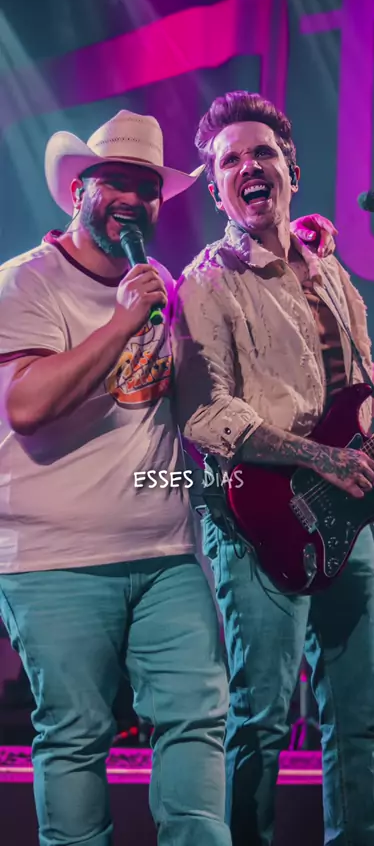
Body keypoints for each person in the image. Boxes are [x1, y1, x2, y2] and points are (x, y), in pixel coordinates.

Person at [170, 91, 374, 846]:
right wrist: (321, 457)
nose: (249, 167)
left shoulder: (333, 275)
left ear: (292, 172)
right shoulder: (208, 281)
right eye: (231, 160)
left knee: (360, 718)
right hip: (258, 523)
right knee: (261, 721)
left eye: (263, 153)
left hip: (345, 518)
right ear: (216, 190)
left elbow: (368, 394)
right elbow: (205, 416)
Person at [0, 109, 231, 846]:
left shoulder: (158, 284)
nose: (133, 199)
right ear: (79, 190)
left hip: (166, 555)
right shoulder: (23, 282)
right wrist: (121, 322)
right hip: (56, 561)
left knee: (199, 719)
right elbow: (27, 406)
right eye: (116, 183)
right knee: (76, 734)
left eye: (147, 187)